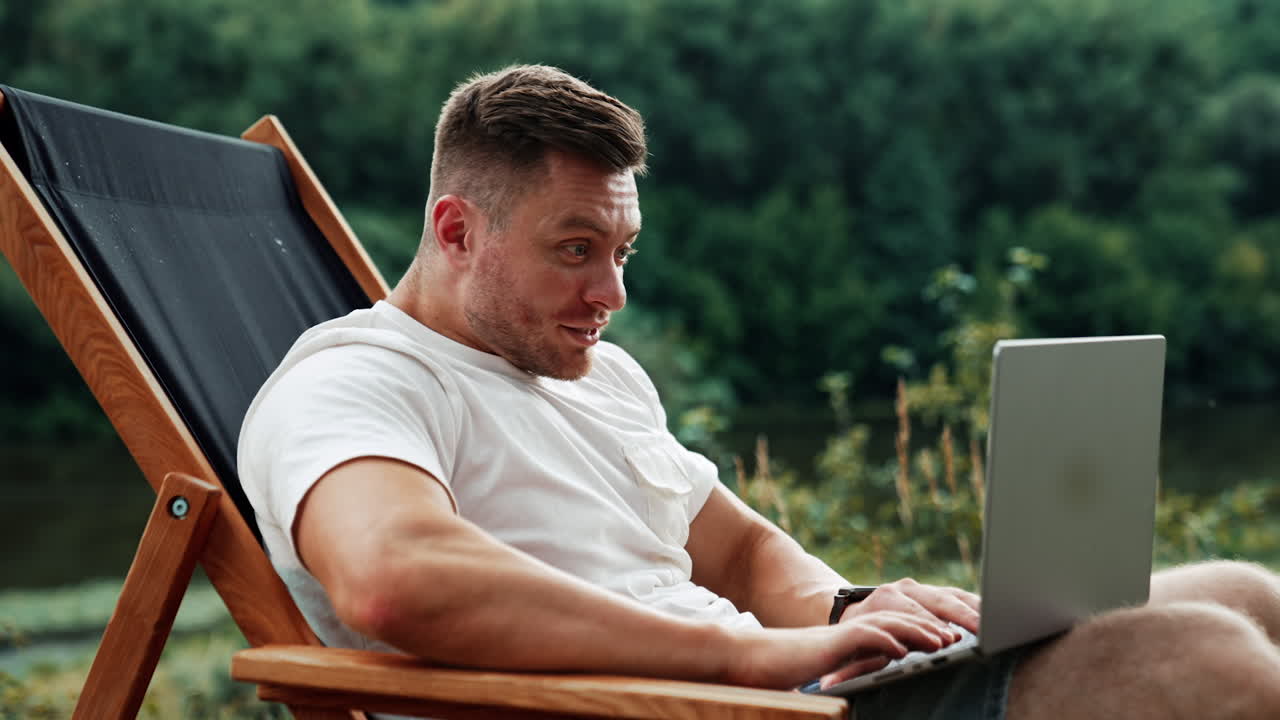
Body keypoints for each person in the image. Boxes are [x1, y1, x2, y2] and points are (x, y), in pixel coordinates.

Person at [238, 64, 1280, 719]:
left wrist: (845, 607)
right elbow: (389, 576)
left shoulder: (592, 375)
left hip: (781, 686)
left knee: (1245, 593)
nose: (611, 293)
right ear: (457, 230)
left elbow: (734, 548)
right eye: (574, 250)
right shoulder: (355, 382)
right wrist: (747, 659)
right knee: (1200, 663)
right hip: (704, 705)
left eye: (624, 250)